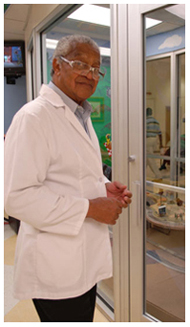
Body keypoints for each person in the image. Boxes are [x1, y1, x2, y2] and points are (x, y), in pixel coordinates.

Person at [4, 35, 132, 322]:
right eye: (79, 63)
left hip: (82, 263)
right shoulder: (33, 118)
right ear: (56, 66)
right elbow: (16, 198)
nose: (90, 74)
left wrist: (104, 188)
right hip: (56, 269)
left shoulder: (80, 115)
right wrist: (90, 207)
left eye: (96, 68)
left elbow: (71, 175)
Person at [146, 107, 162, 180]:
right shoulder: (156, 121)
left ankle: (158, 175)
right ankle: (141, 173)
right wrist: (161, 144)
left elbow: (143, 132)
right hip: (154, 139)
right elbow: (160, 133)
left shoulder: (145, 121)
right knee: (146, 158)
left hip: (148, 139)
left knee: (150, 158)